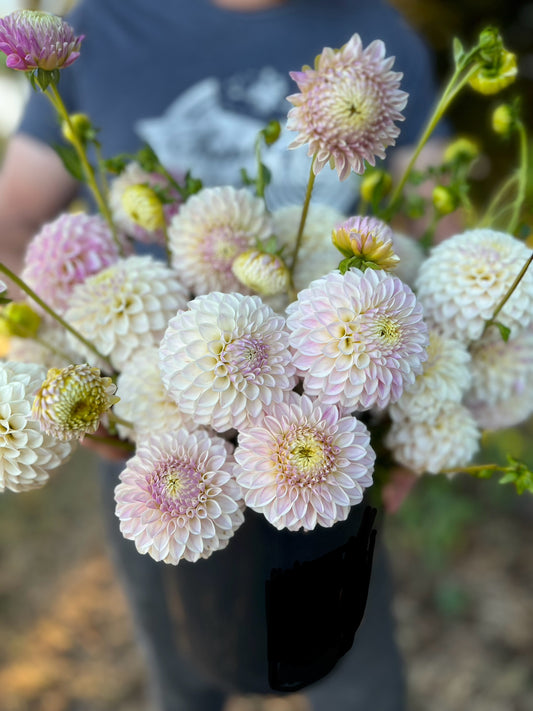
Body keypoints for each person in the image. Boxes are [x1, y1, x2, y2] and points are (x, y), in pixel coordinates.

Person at [0, 1, 449, 709]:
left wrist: (424, 416)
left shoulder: (379, 34)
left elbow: (436, 216)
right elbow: (15, 220)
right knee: (181, 664)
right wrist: (66, 371)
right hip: (143, 436)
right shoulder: (101, 25)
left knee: (355, 668)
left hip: (335, 427)